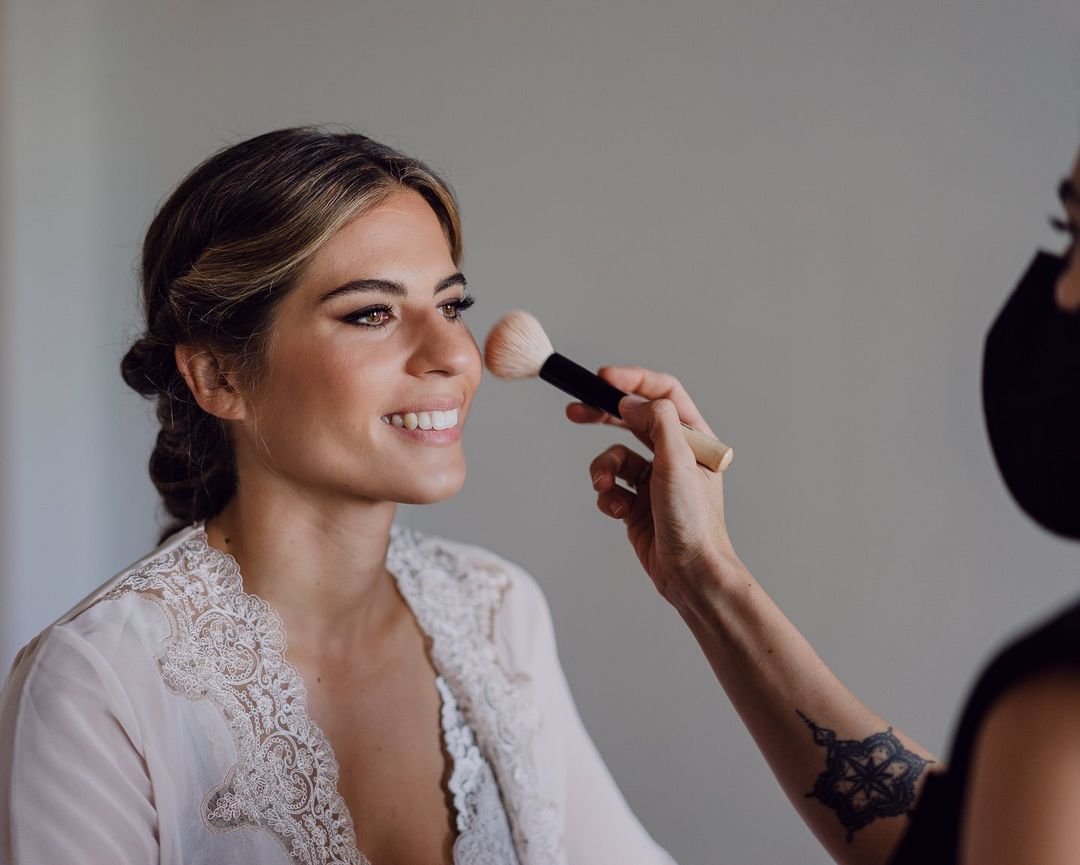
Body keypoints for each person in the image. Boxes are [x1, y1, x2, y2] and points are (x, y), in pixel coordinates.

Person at [0, 127, 676, 865]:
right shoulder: (99, 684)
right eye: (371, 313)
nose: (454, 355)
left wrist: (708, 569)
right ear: (220, 377)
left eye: (452, 306)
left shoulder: (497, 614)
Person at [568, 147, 1080, 864]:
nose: (1061, 291)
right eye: (1066, 230)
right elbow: (942, 843)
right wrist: (704, 573)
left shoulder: (1055, 716)